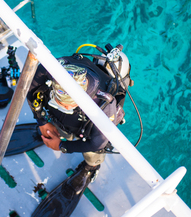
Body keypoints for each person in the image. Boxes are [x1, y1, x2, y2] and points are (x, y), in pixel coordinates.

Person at [26, 50, 130, 182]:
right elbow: (30, 87)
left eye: (68, 106)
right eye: (59, 103)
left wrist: (62, 147)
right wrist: (41, 120)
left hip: (86, 132)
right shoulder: (54, 68)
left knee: (94, 153)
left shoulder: (105, 105)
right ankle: (57, 130)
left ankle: (91, 168)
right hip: (61, 121)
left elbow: (97, 144)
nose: (65, 108)